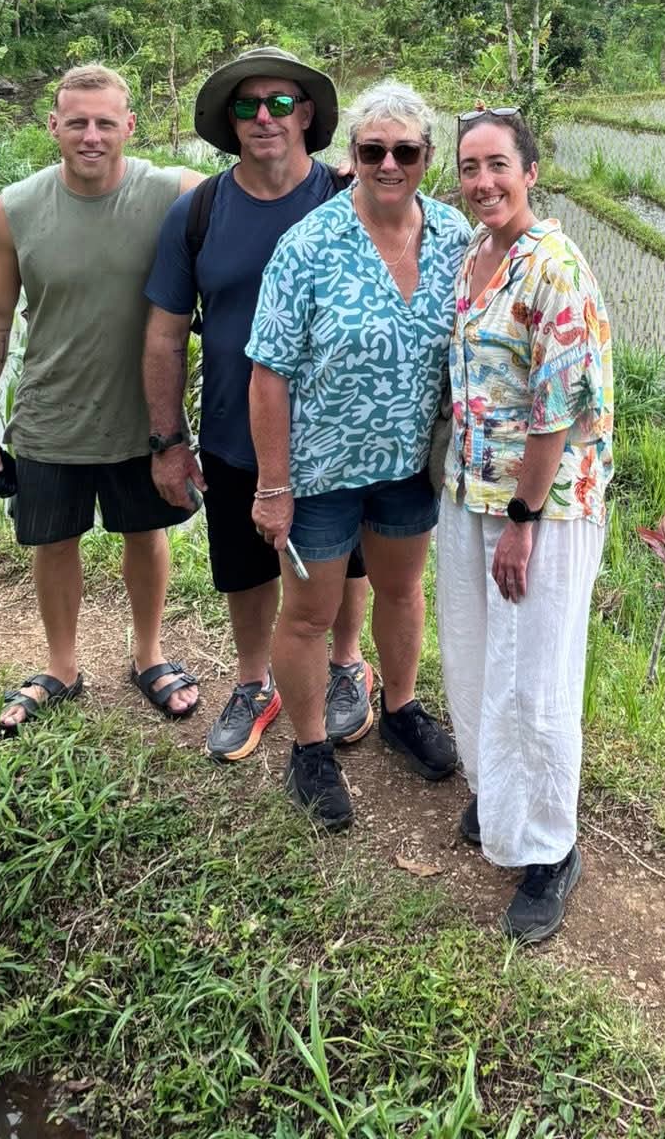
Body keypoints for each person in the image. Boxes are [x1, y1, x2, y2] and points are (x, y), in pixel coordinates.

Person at [143, 47, 377, 763]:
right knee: (245, 563)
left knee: (351, 559)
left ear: (307, 115)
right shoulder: (200, 210)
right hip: (232, 429)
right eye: (248, 106)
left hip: (338, 430)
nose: (265, 118)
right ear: (230, 122)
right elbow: (163, 336)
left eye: (280, 103)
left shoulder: (349, 198)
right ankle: (255, 683)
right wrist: (168, 440)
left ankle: (346, 665)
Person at [247, 79, 470, 828]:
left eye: (404, 150)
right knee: (310, 613)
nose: (388, 164)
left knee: (403, 592)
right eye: (373, 150)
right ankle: (310, 749)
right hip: (318, 473)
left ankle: (399, 707)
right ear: (352, 155)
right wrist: (272, 485)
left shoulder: (454, 240)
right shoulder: (308, 245)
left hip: (409, 467)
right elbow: (268, 373)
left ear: (427, 157)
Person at [0, 65, 204, 736]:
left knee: (143, 533)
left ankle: (148, 655)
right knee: (55, 540)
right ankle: (61, 667)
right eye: (77, 122)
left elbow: (252, 200)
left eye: (104, 122)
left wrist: (338, 184)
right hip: (50, 412)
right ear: (54, 128)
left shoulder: (173, 193)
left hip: (141, 417)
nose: (91, 135)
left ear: (129, 125)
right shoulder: (17, 207)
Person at [438, 108, 614, 944]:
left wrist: (524, 518)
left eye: (498, 165)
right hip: (470, 494)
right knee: (477, 655)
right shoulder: (475, 257)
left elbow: (558, 409)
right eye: (469, 167)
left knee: (536, 677)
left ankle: (550, 851)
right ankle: (498, 797)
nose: (483, 182)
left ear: (531, 171)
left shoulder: (555, 266)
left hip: (539, 507)